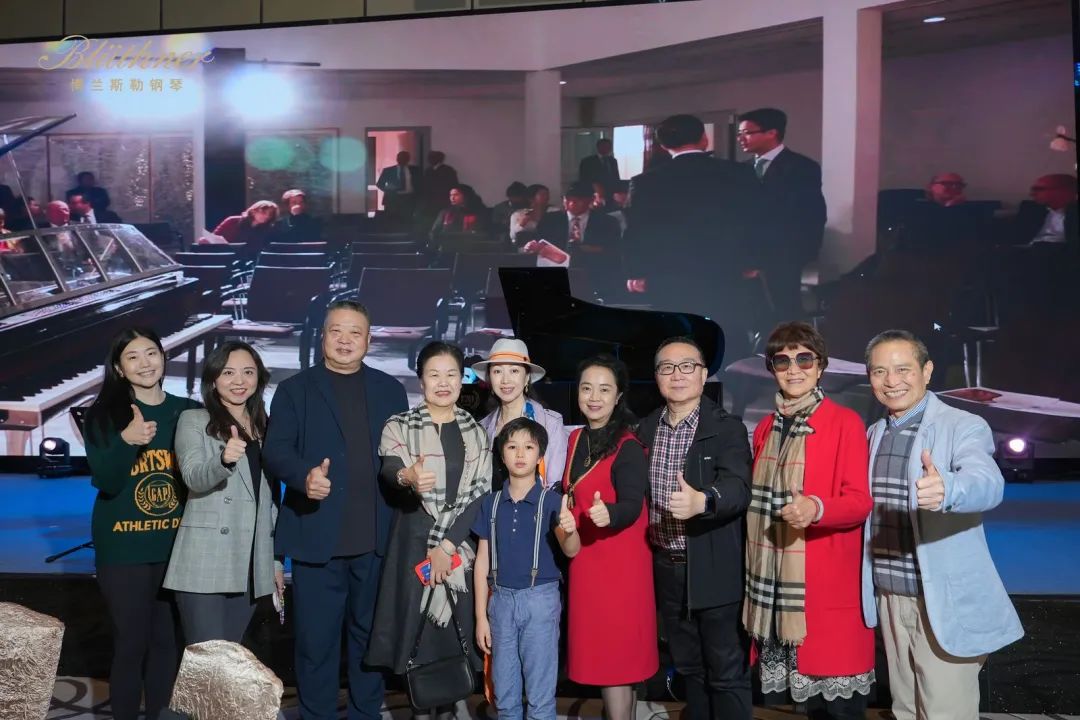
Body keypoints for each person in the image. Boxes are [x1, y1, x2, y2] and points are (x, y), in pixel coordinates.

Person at [862, 329, 1024, 720]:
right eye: (880, 371)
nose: (892, 381)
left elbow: (987, 481)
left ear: (927, 371)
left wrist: (949, 488)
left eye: (903, 369)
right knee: (904, 708)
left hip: (940, 599)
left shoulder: (962, 425)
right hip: (890, 596)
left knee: (944, 713)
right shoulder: (875, 433)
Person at [263, 300, 408, 720]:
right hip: (316, 539)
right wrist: (303, 477)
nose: (345, 340)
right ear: (323, 336)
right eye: (336, 331)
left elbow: (400, 455)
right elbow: (276, 451)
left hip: (375, 541)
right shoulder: (295, 390)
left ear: (369, 339)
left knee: (370, 643)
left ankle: (365, 714)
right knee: (316, 645)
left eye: (355, 332)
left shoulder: (390, 390)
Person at [744, 323, 874, 720]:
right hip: (777, 589)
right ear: (772, 369)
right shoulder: (765, 427)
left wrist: (816, 509)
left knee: (841, 708)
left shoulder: (845, 422)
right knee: (811, 709)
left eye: (804, 359)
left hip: (828, 589)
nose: (793, 369)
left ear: (820, 367)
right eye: (782, 361)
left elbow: (859, 502)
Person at [367, 341, 492, 715]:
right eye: (434, 375)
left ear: (461, 380)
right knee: (416, 643)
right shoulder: (400, 426)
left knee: (453, 641)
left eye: (451, 374)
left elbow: (479, 497)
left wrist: (447, 546)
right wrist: (407, 476)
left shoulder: (476, 433)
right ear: (420, 380)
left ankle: (453, 710)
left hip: (457, 548)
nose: (443, 382)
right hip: (413, 545)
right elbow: (390, 470)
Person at [84, 327, 200, 720]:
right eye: (132, 357)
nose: (145, 363)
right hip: (123, 548)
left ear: (163, 357)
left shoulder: (189, 411)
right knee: (131, 643)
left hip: (174, 547)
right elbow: (107, 480)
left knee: (167, 643)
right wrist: (128, 440)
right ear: (119, 368)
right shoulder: (103, 414)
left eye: (151, 353)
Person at [636, 336, 753, 720]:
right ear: (657, 377)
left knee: (725, 670)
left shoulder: (727, 428)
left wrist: (704, 501)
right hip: (665, 568)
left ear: (703, 375)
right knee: (689, 668)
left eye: (687, 366)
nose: (677, 374)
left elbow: (739, 487)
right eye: (667, 367)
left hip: (713, 565)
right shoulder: (645, 428)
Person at [164, 341, 284, 644]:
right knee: (206, 662)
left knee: (231, 661)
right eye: (228, 372)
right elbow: (193, 477)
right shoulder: (194, 420)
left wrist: (274, 561)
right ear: (213, 379)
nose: (239, 381)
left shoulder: (267, 427)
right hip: (205, 561)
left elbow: (271, 500)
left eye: (248, 372)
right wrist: (223, 460)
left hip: (250, 564)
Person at [562, 354, 656, 720]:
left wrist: (610, 513)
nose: (594, 397)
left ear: (618, 397)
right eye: (587, 388)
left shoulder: (628, 445)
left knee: (617, 663)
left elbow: (633, 503)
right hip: (587, 563)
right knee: (609, 662)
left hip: (620, 567)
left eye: (604, 389)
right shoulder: (575, 439)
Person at [624, 114, 758, 357]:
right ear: (704, 138)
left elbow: (636, 231)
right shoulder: (739, 173)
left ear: (664, 145)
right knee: (727, 329)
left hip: (668, 270)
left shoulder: (645, 182)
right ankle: (734, 378)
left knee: (676, 332)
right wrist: (752, 261)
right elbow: (754, 220)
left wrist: (636, 271)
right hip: (725, 267)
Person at [473, 417, 581, 720]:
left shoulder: (553, 502)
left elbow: (571, 550)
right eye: (512, 447)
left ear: (540, 455)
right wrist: (480, 617)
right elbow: (482, 562)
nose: (520, 454)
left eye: (529, 447)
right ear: (501, 454)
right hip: (500, 603)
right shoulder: (491, 503)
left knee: (540, 699)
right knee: (505, 698)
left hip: (540, 601)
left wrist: (570, 530)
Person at [737, 108, 826, 323]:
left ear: (772, 133)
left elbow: (810, 215)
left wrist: (796, 253)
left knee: (785, 307)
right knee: (752, 310)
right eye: (740, 133)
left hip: (784, 253)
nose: (741, 139)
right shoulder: (741, 169)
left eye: (747, 133)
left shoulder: (801, 167)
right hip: (747, 253)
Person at [472, 338, 567, 491]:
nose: (505, 380)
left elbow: (554, 485)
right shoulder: (481, 428)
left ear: (527, 377)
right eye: (497, 371)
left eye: (514, 371)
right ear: (490, 378)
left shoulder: (550, 424)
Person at [211, 200, 279, 253]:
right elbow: (213, 238)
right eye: (263, 212)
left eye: (270, 214)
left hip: (249, 262)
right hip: (225, 256)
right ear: (253, 211)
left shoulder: (268, 229)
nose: (267, 216)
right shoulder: (233, 221)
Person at [376, 151, 422, 226]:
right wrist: (388, 190)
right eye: (400, 158)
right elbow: (379, 184)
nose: (402, 159)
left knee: (407, 221)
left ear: (408, 159)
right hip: (392, 199)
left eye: (405, 158)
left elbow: (420, 184)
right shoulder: (388, 170)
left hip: (409, 199)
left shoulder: (415, 170)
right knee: (392, 222)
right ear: (397, 159)